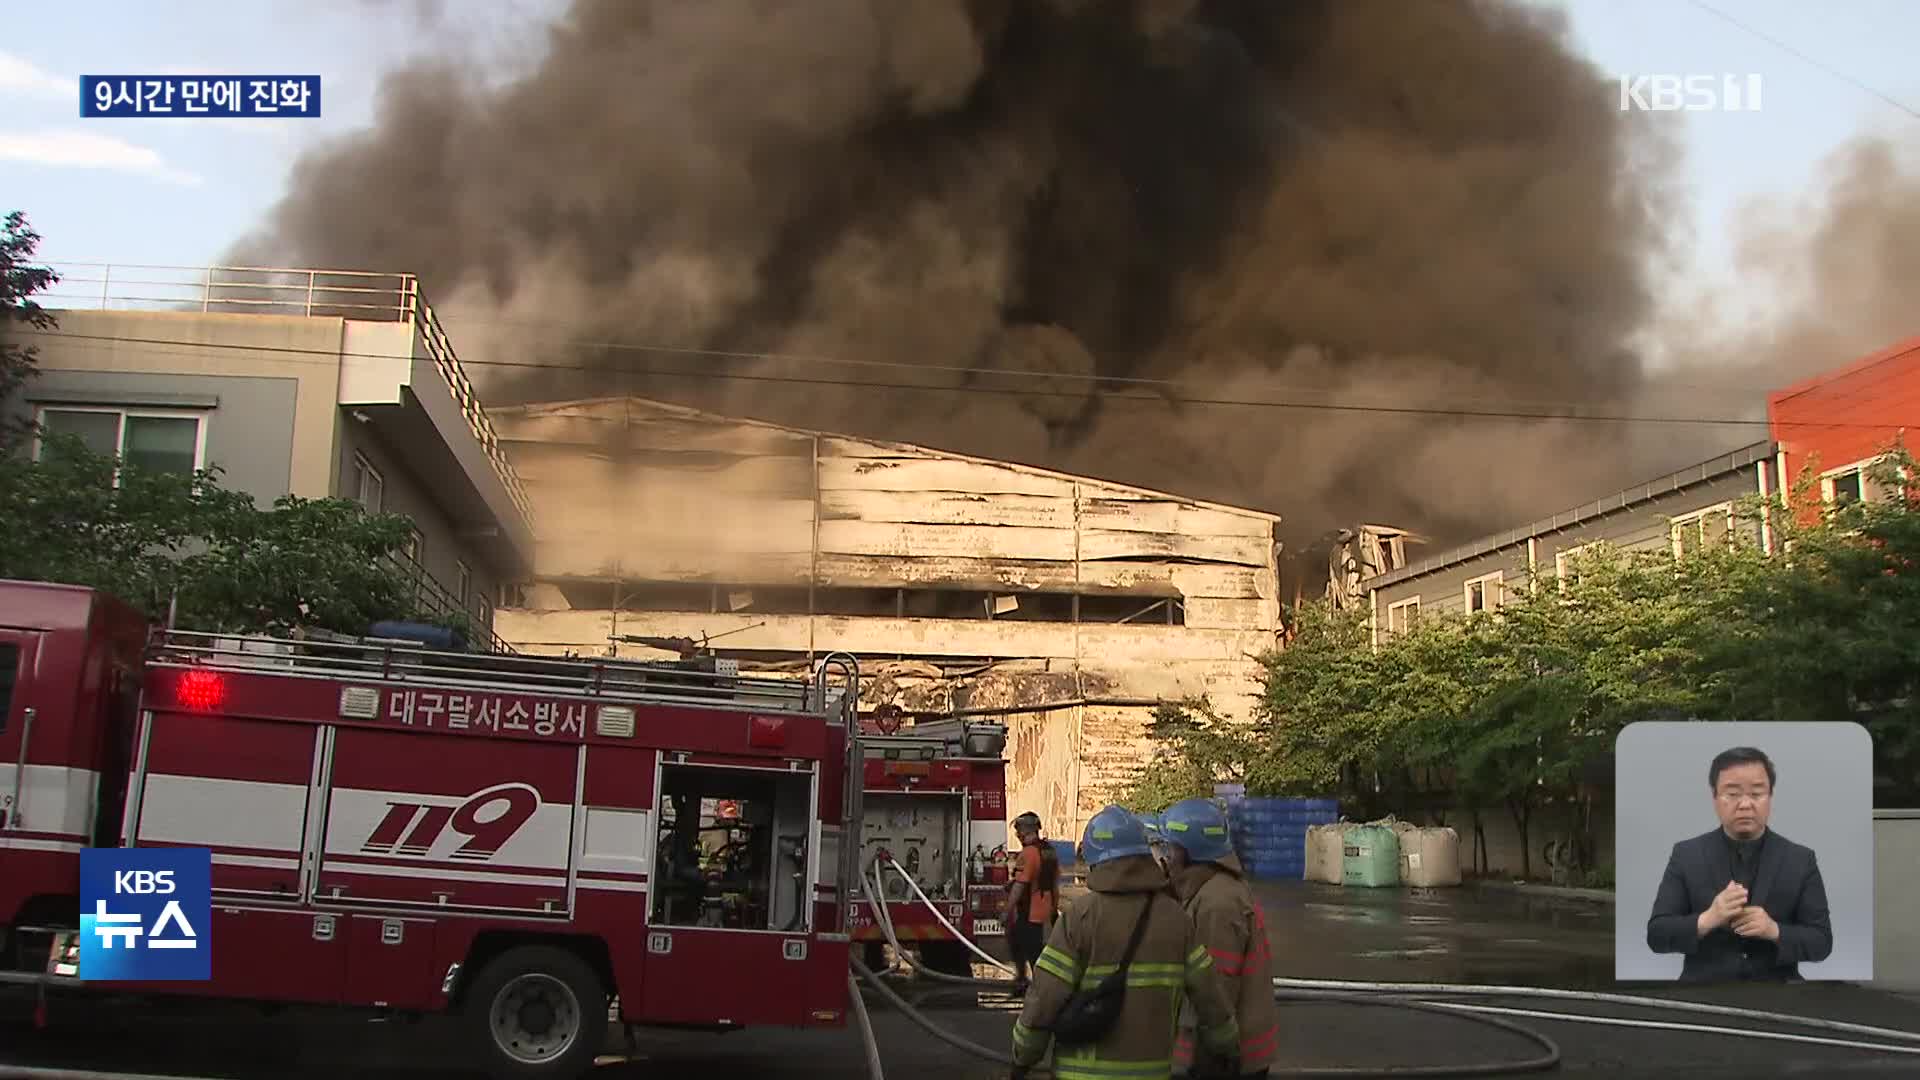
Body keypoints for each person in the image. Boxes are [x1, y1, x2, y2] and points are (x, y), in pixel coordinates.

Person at [1010, 805, 1240, 1080]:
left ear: (1097, 861)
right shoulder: (1176, 918)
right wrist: (1227, 1047)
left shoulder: (1081, 916)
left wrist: (1023, 1057)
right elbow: (1212, 999)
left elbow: (1044, 998)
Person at [1646, 746, 1834, 982]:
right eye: (1732, 794)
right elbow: (1657, 935)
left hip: (1779, 994)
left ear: (1770, 797)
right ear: (1714, 797)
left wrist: (1774, 930)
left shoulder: (1800, 859)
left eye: (1756, 793)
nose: (1745, 804)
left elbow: (1822, 942)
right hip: (1702, 993)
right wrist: (1708, 919)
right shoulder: (1686, 855)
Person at [1162, 798, 1279, 1079]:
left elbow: (1215, 991)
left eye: (1170, 847)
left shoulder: (1217, 903)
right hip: (1228, 1053)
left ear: (1187, 852)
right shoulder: (1212, 890)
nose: (1165, 855)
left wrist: (1207, 1059)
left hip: (1226, 1059)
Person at [1006, 810, 1061, 988]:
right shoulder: (1049, 852)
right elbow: (1054, 884)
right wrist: (1053, 911)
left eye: (1018, 831)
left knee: (1021, 945)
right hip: (1046, 911)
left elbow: (1020, 886)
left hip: (1030, 912)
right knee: (1039, 952)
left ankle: (1028, 983)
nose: (1017, 835)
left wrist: (1007, 911)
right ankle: (1037, 984)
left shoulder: (1028, 854)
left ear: (1024, 831)